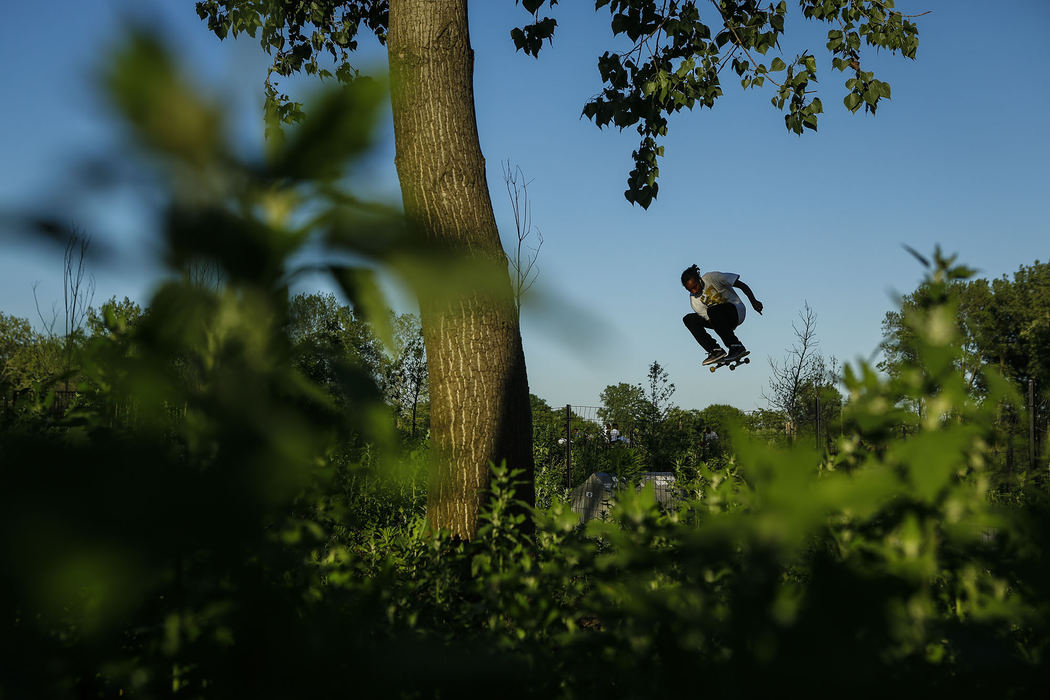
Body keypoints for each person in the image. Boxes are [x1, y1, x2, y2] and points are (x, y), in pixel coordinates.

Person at [681, 264, 764, 365]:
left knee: (712, 311)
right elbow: (710, 321)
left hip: (736, 311)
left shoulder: (712, 277)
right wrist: (725, 331)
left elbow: (741, 285)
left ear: (699, 279)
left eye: (695, 287)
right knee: (689, 319)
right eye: (690, 290)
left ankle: (736, 345)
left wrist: (753, 301)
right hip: (719, 320)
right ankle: (715, 350)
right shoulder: (694, 300)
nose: (694, 291)